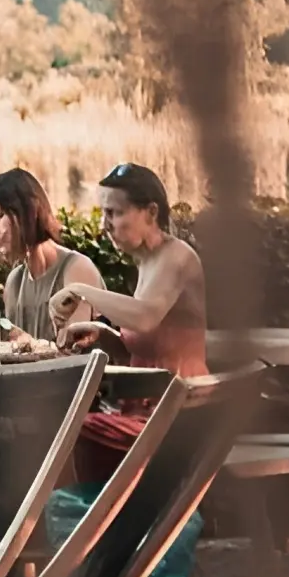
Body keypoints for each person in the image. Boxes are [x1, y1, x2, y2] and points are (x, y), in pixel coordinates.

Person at [50, 162, 207, 480]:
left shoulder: (177, 257)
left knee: (66, 428)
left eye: (115, 213)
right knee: (55, 422)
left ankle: (93, 523)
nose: (106, 225)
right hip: (146, 406)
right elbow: (145, 341)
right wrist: (99, 333)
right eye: (103, 213)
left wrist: (82, 291)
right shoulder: (148, 262)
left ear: (150, 212)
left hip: (178, 410)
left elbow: (146, 316)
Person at [0, 168, 105, 343]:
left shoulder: (76, 268)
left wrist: (30, 344)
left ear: (30, 211)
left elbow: (73, 354)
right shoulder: (15, 281)